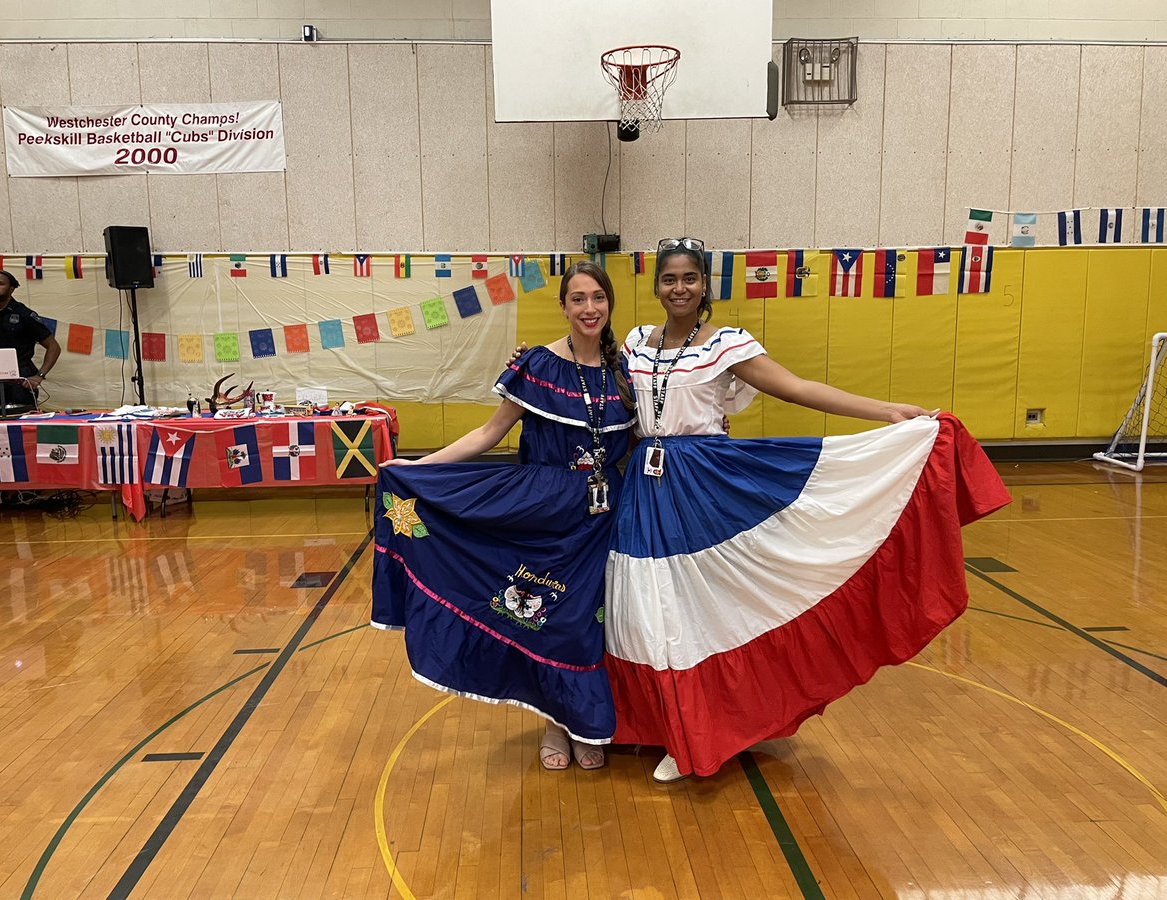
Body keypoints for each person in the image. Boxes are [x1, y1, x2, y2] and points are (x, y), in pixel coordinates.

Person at [604, 237, 1012, 783]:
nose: (680, 288)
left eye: (690, 278)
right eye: (670, 279)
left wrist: (885, 411)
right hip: (644, 488)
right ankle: (662, 720)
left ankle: (697, 732)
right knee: (647, 605)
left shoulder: (725, 344)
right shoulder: (635, 344)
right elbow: (595, 386)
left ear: (704, 286)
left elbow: (795, 388)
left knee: (700, 611)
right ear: (656, 286)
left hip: (703, 487)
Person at [372, 261, 636, 770]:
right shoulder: (538, 365)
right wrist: (418, 468)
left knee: (590, 623)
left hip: (605, 517)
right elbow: (489, 432)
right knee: (549, 621)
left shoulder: (625, 371)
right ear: (563, 306)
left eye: (598, 298)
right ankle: (556, 723)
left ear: (609, 303)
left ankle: (584, 722)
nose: (589, 308)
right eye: (578, 299)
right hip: (543, 515)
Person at [0, 269, 60, 409]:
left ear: (11, 289)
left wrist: (39, 375)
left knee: (21, 421)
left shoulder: (24, 314)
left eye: (0, 284)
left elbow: (53, 347)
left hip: (20, 383)